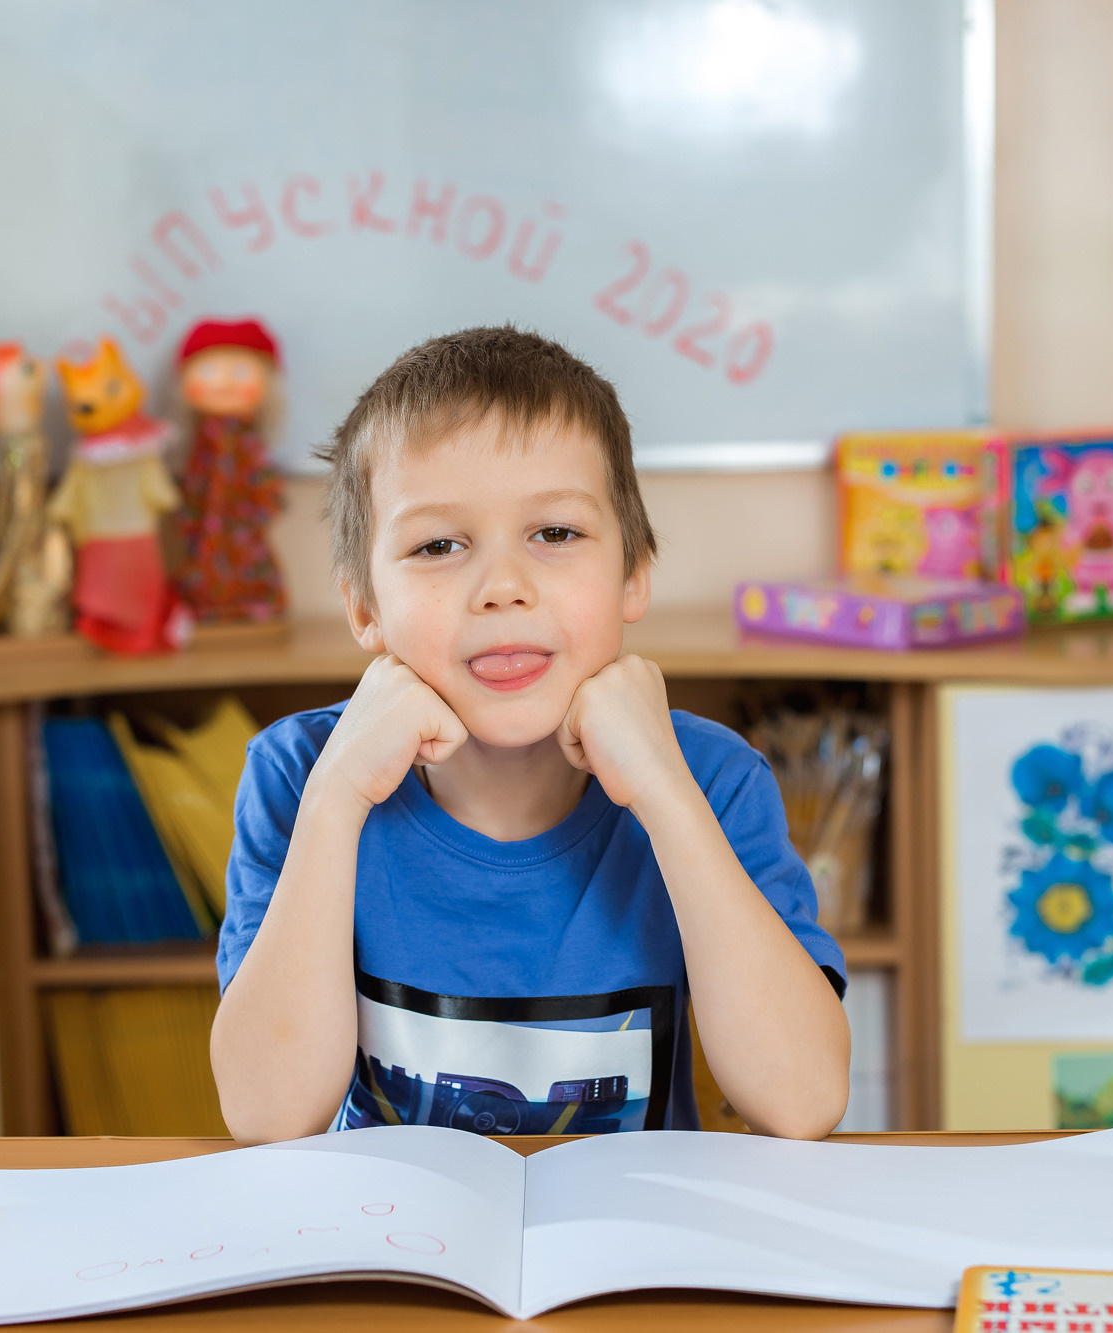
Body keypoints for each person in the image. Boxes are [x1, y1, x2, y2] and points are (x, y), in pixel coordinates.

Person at [211, 326, 850, 1143]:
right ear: (364, 605)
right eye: (438, 544)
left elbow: (801, 1101)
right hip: (393, 1249)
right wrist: (338, 797)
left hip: (622, 1251)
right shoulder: (300, 775)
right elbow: (267, 1116)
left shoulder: (712, 779)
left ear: (633, 573)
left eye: (555, 533)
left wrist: (664, 794)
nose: (503, 587)